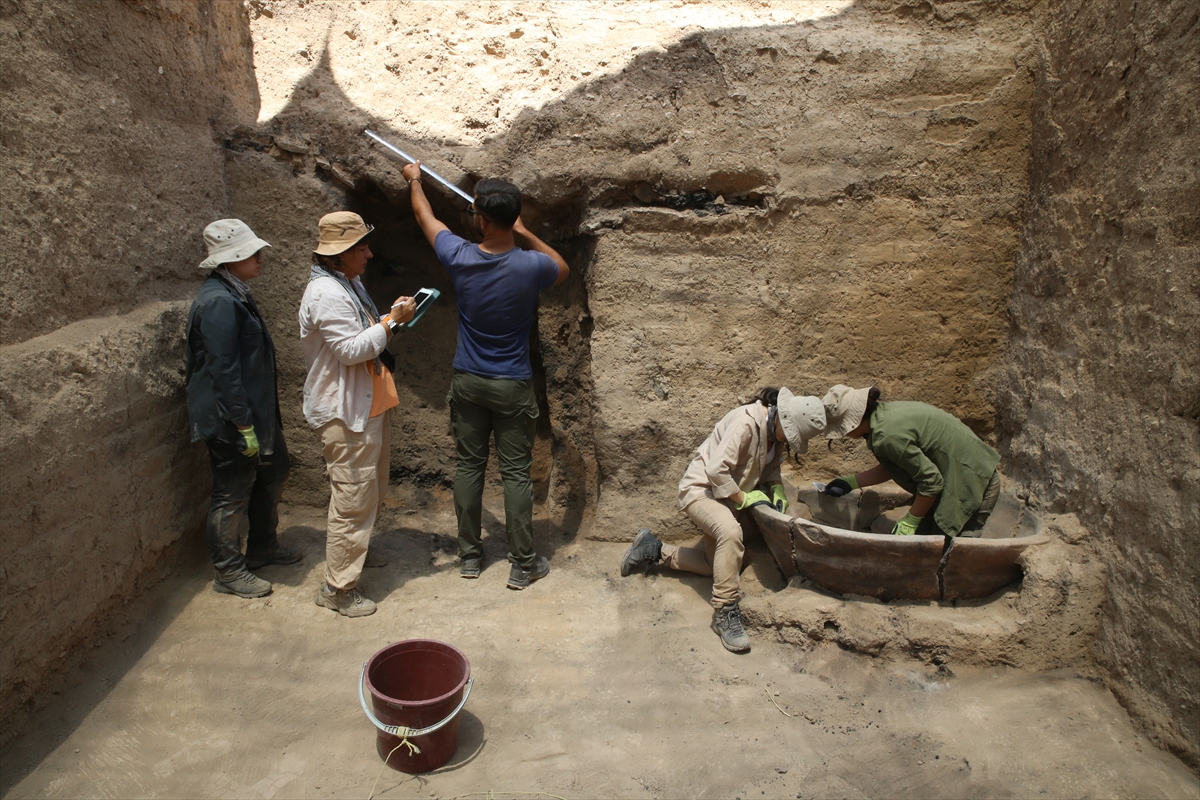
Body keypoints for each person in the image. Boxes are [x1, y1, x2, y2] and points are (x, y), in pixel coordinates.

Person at [400, 161, 569, 590]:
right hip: (511, 383)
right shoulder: (531, 266)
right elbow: (561, 267)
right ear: (511, 218)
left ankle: (471, 557)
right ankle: (522, 563)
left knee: (469, 467)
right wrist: (524, 230)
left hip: (469, 380)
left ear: (479, 219)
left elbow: (425, 217)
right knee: (516, 474)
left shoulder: (459, 256)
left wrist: (414, 179)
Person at [619, 388, 826, 653]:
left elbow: (771, 468)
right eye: (792, 436)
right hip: (701, 492)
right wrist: (743, 498)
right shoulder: (746, 423)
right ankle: (725, 613)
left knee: (715, 566)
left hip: (725, 497)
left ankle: (654, 549)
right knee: (731, 532)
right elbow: (716, 470)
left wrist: (777, 489)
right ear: (783, 418)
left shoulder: (776, 433)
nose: (790, 443)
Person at [299, 211, 417, 617]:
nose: (368, 254)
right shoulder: (327, 294)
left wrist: (391, 319)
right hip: (344, 412)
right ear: (338, 256)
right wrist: (391, 324)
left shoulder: (346, 282)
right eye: (361, 248)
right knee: (352, 499)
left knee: (369, 490)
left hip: (365, 407)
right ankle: (337, 589)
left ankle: (354, 559)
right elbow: (349, 350)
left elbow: (363, 332)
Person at [185, 219, 301, 599]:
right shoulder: (218, 301)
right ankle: (229, 571)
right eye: (253, 254)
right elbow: (223, 370)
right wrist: (240, 422)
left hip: (253, 412)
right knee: (231, 491)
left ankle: (263, 546)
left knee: (275, 469)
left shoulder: (235, 291)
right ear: (231, 259)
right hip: (230, 416)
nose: (260, 259)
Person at [820, 385, 1001, 538]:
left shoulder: (887, 436)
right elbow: (895, 465)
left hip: (974, 481)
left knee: (951, 554)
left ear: (852, 422)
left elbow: (932, 482)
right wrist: (850, 482)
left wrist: (911, 520)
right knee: (924, 541)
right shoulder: (884, 417)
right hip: (959, 473)